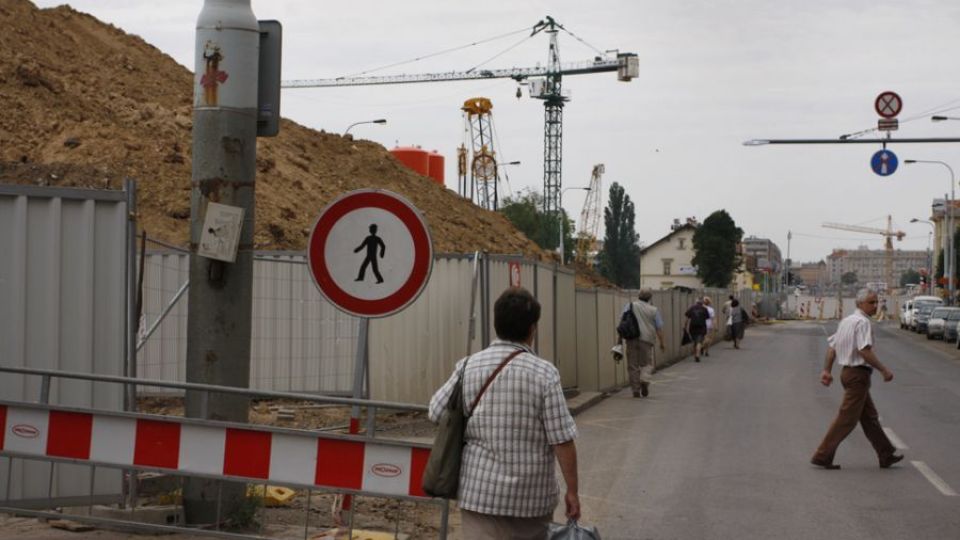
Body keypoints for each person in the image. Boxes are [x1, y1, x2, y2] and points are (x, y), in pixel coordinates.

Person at [429, 287, 580, 539]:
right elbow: (562, 440)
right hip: (532, 500)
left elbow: (435, 412)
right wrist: (572, 491)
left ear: (496, 323)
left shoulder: (468, 366)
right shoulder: (545, 373)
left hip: (480, 495)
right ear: (533, 328)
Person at [811, 288, 903, 470]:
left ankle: (886, 454)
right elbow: (863, 350)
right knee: (846, 419)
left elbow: (832, 348)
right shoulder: (862, 323)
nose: (875, 306)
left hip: (848, 373)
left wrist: (827, 371)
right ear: (860, 303)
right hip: (857, 375)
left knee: (870, 417)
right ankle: (822, 455)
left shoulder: (846, 321)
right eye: (871, 302)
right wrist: (883, 369)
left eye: (876, 302)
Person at [624, 289, 666, 397]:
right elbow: (659, 328)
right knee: (646, 364)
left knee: (632, 365)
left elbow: (623, 322)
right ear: (650, 298)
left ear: (638, 296)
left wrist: (619, 339)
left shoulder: (630, 306)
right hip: (647, 340)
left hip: (631, 338)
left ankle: (635, 390)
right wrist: (662, 342)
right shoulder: (654, 310)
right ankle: (644, 380)